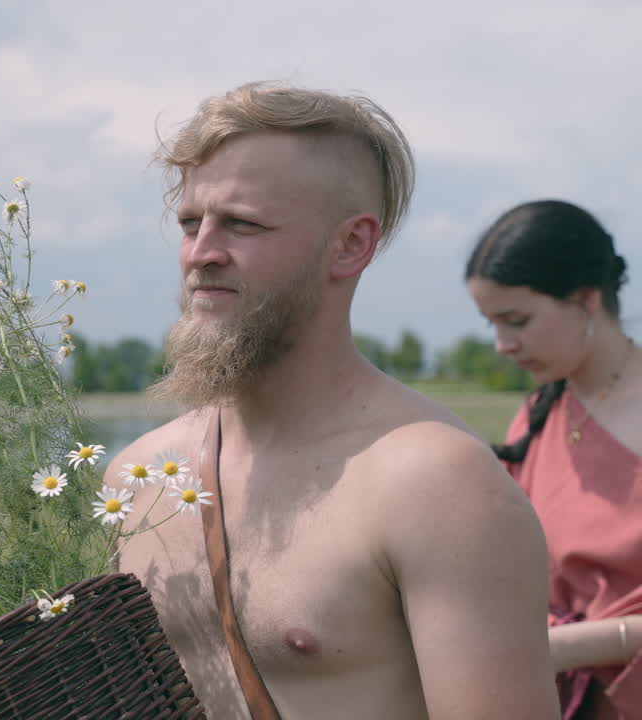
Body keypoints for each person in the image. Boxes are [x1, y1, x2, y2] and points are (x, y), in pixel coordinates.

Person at [112, 83, 559, 718]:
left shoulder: (434, 483)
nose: (201, 253)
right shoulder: (139, 476)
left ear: (350, 245)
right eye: (190, 223)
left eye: (242, 223)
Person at [466, 200, 641, 719]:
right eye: (491, 324)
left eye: (517, 321)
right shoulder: (537, 418)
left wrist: (556, 648)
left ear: (586, 300)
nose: (501, 345)